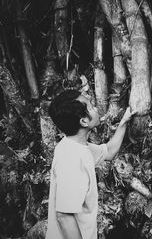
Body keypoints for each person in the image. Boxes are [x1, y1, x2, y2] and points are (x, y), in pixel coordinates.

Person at [45, 89, 134, 239]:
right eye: (91, 106)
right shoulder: (72, 159)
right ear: (84, 121)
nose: (95, 108)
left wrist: (124, 122)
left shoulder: (74, 145)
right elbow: (64, 216)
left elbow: (109, 151)